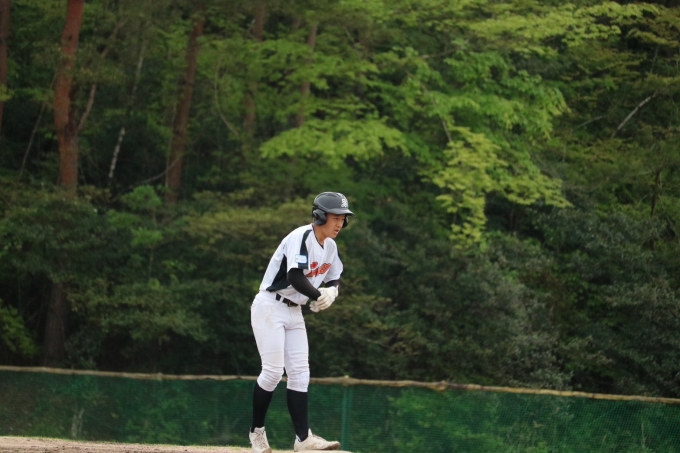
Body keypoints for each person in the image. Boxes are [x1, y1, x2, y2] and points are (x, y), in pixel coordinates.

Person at [248, 192, 355, 453]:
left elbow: (334, 277)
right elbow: (294, 276)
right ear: (319, 215)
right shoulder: (302, 237)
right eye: (335, 217)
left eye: (343, 218)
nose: (340, 223)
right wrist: (318, 295)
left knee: (300, 373)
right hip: (270, 305)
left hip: (294, 310)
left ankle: (303, 439)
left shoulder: (330, 247)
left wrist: (332, 292)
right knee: (273, 372)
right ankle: (257, 433)